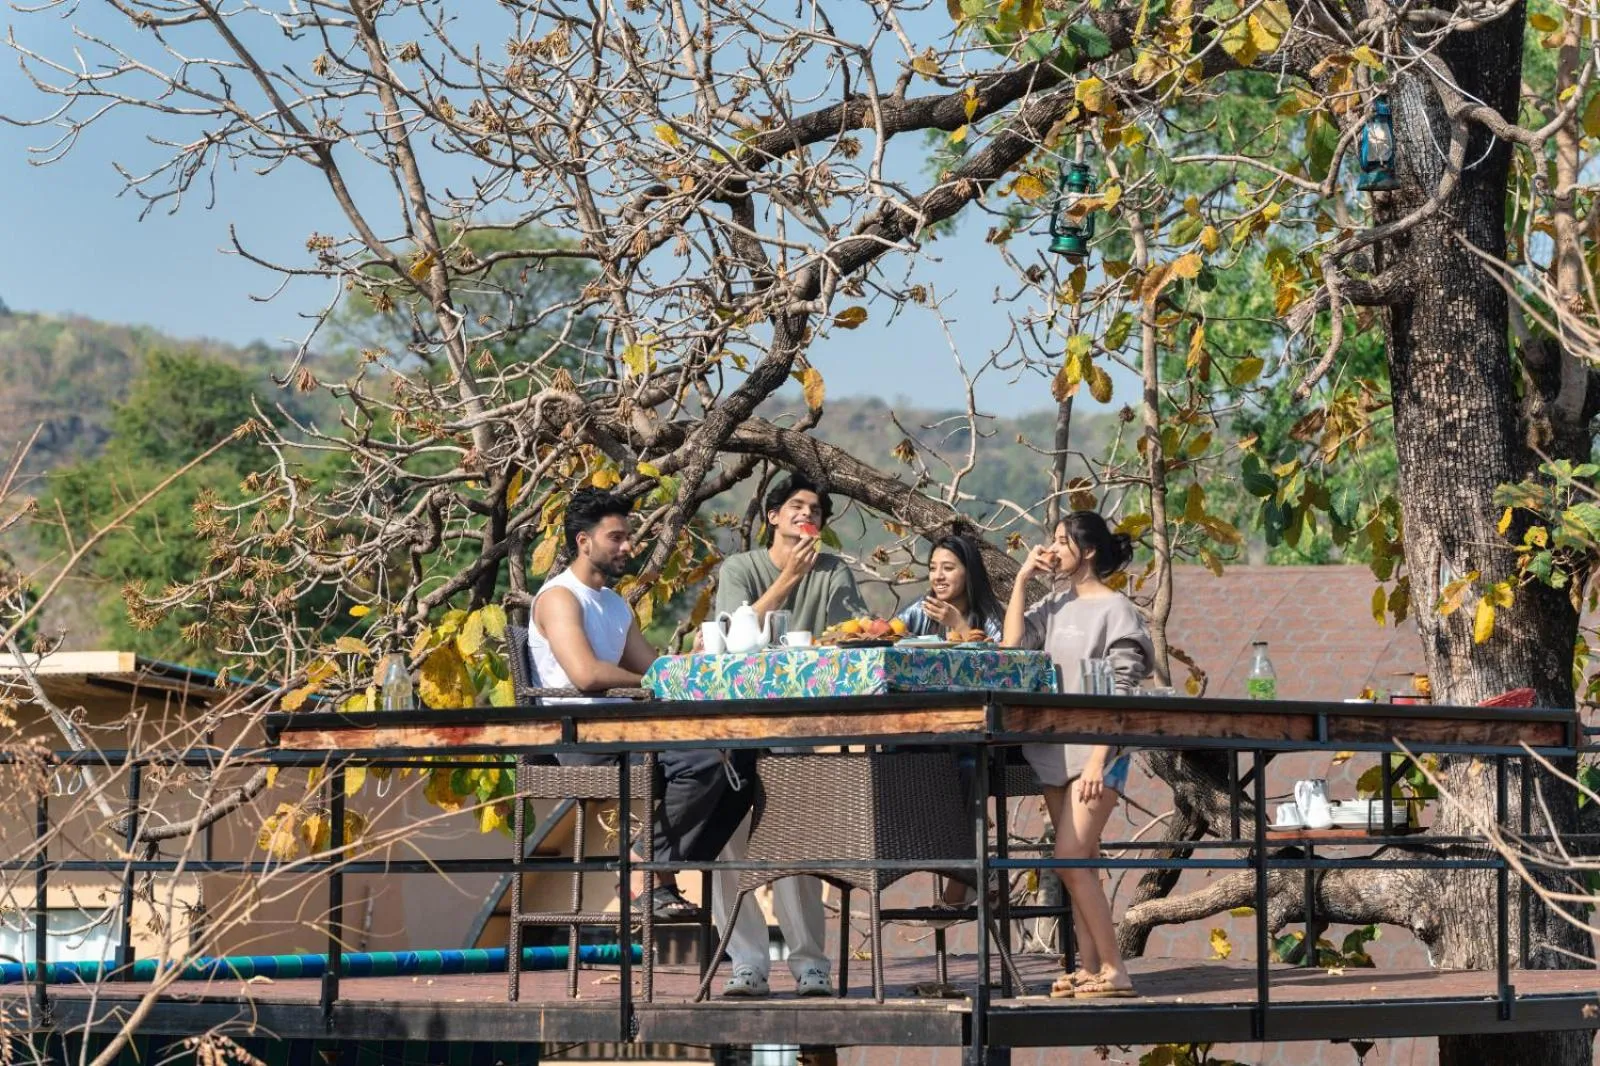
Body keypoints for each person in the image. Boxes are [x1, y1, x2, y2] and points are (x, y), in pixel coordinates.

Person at [529, 489, 755, 920]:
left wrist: (689, 661)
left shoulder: (614, 604)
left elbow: (652, 668)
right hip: (581, 739)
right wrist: (654, 681)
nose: (628, 547)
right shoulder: (560, 597)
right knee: (708, 758)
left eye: (628, 537)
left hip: (624, 732)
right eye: (616, 538)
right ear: (583, 541)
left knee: (742, 758)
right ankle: (646, 868)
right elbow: (586, 675)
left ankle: (652, 865)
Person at [710, 473, 868, 998]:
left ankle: (810, 965)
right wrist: (787, 580)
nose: (807, 515)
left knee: (796, 844)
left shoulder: (833, 571)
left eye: (816, 511)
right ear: (773, 516)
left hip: (798, 726)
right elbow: (729, 638)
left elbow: (853, 638)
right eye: (797, 506)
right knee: (725, 844)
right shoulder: (741, 568)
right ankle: (746, 963)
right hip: (735, 726)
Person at [1002, 511, 1153, 1000]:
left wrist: (1097, 760)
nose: (1053, 548)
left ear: (1087, 551)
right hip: (1052, 752)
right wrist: (1022, 578)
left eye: (1062, 540)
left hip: (1098, 754)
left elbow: (1123, 692)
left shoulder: (1117, 610)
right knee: (1081, 862)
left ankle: (1115, 970)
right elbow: (1011, 647)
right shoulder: (1053, 605)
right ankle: (1090, 969)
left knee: (1067, 859)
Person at [896, 533, 1004, 641]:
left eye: (948, 568)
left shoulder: (991, 619)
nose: (937, 576)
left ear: (969, 572)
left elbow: (998, 651)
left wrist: (959, 625)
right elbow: (888, 637)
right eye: (933, 568)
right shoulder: (919, 611)